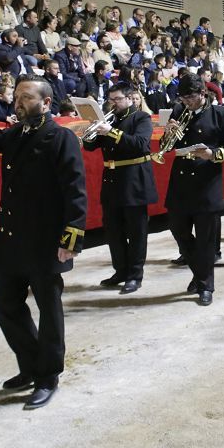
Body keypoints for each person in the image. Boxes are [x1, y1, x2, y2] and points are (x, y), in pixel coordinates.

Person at [0, 76, 88, 411]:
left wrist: (71, 236)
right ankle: (31, 364)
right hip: (12, 239)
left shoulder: (60, 138)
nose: (18, 102)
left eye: (26, 97)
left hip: (46, 242)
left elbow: (75, 189)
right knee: (5, 305)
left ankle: (48, 376)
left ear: (46, 103)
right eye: (17, 96)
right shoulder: (16, 133)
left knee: (49, 310)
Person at [162, 73, 224, 306]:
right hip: (181, 182)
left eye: (190, 97)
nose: (186, 102)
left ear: (203, 93)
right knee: (178, 230)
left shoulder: (219, 113)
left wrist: (212, 154)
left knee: (205, 240)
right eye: (182, 98)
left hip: (207, 182)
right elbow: (166, 148)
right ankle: (199, 272)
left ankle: (206, 286)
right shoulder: (178, 111)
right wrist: (168, 133)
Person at [82, 82, 157, 293]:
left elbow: (140, 144)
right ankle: (121, 270)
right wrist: (93, 129)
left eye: (117, 99)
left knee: (136, 231)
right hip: (112, 180)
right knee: (113, 230)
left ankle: (135, 274)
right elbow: (89, 146)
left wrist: (112, 132)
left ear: (130, 98)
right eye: (110, 100)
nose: (113, 104)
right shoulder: (111, 119)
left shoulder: (141, 117)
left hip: (134, 180)